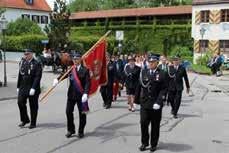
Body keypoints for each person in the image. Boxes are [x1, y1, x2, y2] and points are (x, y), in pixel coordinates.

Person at [53, 52, 91, 138]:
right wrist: (57, 79)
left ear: (80, 59)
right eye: (74, 59)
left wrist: (85, 93)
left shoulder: (85, 70)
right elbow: (64, 75)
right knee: (68, 112)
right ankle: (71, 130)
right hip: (71, 95)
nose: (75, 61)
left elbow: (87, 83)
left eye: (77, 59)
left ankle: (81, 131)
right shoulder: (71, 69)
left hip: (81, 96)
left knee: (82, 114)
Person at [135, 55, 166, 152]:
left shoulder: (162, 73)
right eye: (150, 62)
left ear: (157, 63)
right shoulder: (143, 72)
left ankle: (153, 144)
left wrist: (159, 102)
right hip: (145, 103)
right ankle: (144, 142)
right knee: (143, 123)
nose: (151, 63)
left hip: (156, 104)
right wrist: (136, 101)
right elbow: (139, 87)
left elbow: (164, 89)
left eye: (153, 62)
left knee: (155, 125)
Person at [17, 49, 42, 129]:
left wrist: (33, 88)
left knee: (33, 106)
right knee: (20, 102)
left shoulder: (37, 63)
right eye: (25, 54)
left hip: (32, 87)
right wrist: (18, 86)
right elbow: (20, 75)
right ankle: (25, 119)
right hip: (23, 86)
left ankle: (33, 122)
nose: (26, 55)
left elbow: (37, 77)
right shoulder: (22, 62)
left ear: (31, 54)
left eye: (27, 54)